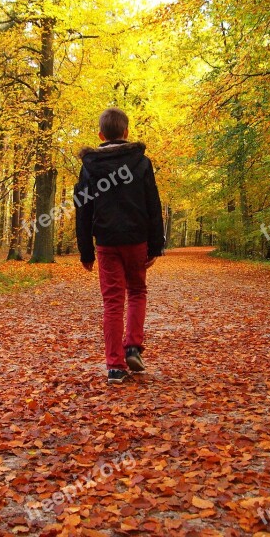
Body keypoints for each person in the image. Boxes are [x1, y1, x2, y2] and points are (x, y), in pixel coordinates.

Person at [74, 107, 164, 384]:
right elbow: (153, 204)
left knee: (112, 302)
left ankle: (114, 367)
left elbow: (83, 209)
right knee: (137, 291)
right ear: (126, 132)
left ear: (101, 135)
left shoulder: (90, 165)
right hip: (136, 239)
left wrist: (85, 251)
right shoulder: (141, 162)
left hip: (106, 242)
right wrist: (156, 244)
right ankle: (133, 347)